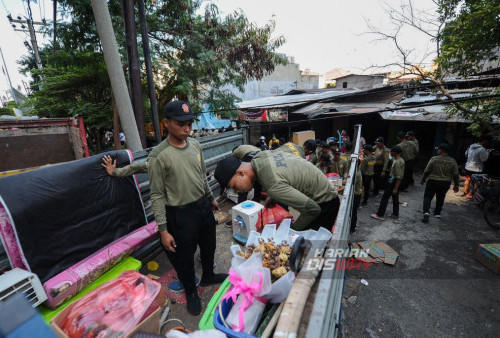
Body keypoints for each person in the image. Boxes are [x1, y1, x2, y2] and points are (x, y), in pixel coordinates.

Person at [148, 100, 227, 316]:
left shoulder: (195, 145)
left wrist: (211, 197)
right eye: (181, 123)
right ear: (166, 123)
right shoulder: (159, 155)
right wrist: (163, 230)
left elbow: (201, 175)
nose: (187, 128)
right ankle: (191, 291)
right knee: (184, 257)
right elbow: (156, 194)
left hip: (202, 207)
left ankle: (209, 275)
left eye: (189, 123)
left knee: (209, 244)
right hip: (180, 214)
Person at [214, 151, 340, 231]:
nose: (237, 191)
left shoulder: (272, 185)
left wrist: (291, 230)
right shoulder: (260, 156)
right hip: (326, 191)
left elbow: (313, 210)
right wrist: (274, 196)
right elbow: (283, 175)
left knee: (311, 251)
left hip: (325, 204)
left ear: (241, 173)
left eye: (234, 186)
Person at [420, 143, 459, 223]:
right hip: (445, 183)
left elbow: (427, 170)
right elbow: (455, 174)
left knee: (428, 196)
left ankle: (426, 212)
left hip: (433, 181)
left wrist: (423, 179)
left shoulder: (434, 159)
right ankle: (437, 213)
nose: (437, 150)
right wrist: (456, 184)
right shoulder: (452, 161)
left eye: (438, 149)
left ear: (441, 150)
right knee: (441, 197)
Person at [371, 146, 405, 220]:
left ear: (395, 153)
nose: (390, 152)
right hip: (395, 180)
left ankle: (380, 214)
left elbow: (398, 177)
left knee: (385, 197)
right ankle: (395, 214)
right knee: (395, 197)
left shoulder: (397, 162)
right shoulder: (400, 160)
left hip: (394, 181)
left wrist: (395, 188)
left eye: (391, 151)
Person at [350, 162, 362, 234]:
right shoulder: (358, 171)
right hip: (357, 193)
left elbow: (351, 184)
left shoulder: (357, 174)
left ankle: (352, 228)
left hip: (356, 194)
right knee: (353, 211)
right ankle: (352, 227)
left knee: (353, 212)